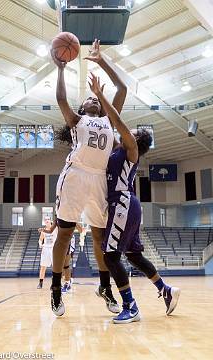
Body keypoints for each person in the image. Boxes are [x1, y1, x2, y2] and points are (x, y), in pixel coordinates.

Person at [88, 73, 180, 324]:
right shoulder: (120, 147)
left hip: (123, 203)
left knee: (110, 257)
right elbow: (110, 124)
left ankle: (130, 306)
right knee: (134, 256)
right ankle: (166, 290)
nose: (131, 130)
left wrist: (100, 95)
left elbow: (115, 120)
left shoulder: (131, 148)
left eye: (135, 131)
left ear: (137, 139)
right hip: (128, 205)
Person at [51, 39, 127, 316]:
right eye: (89, 99)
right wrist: (60, 68)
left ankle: (105, 287)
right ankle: (56, 289)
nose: (93, 99)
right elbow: (61, 99)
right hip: (75, 177)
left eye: (96, 98)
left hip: (98, 180)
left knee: (99, 237)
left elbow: (122, 88)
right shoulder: (77, 121)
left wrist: (101, 61)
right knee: (65, 233)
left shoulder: (110, 120)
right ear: (82, 108)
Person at [62, 223, 83, 293]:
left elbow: (80, 230)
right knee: (60, 266)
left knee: (66, 265)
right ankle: (67, 281)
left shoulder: (72, 218)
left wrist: (75, 222)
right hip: (60, 240)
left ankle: (67, 283)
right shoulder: (59, 217)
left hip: (69, 240)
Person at [37, 217, 57, 289]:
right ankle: (40, 283)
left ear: (50, 220)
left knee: (54, 268)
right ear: (44, 222)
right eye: (45, 219)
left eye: (48, 219)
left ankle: (54, 283)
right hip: (46, 249)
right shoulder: (43, 230)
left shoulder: (55, 228)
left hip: (53, 249)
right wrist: (41, 246)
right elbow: (40, 240)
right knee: (43, 267)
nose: (47, 220)